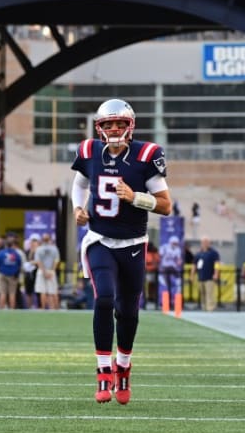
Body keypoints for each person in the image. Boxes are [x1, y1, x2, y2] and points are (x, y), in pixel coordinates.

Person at [71, 98, 172, 404]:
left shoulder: (147, 154)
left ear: (130, 126)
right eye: (107, 124)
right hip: (99, 239)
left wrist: (135, 197)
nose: (113, 129)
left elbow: (166, 206)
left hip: (133, 244)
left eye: (119, 123)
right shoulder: (89, 150)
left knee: (127, 311)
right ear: (99, 127)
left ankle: (123, 367)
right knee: (103, 298)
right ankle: (103, 370)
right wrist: (78, 207)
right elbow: (79, 184)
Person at [0, 236, 23, 310]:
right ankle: (12, 310)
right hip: (13, 275)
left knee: (2, 293)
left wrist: (3, 267)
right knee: (12, 293)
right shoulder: (16, 254)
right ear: (12, 245)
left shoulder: (1, 253)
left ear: (5, 245)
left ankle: (1, 309)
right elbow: (19, 264)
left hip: (2, 274)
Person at [33, 233, 61, 310]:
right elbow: (56, 261)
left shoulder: (39, 249)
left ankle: (43, 308)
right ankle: (55, 308)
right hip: (51, 271)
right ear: (50, 239)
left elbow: (38, 262)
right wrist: (52, 271)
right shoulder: (54, 248)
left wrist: (44, 271)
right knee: (53, 291)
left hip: (42, 271)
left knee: (43, 291)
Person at [193, 236, 220, 312]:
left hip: (210, 277)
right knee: (202, 294)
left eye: (206, 242)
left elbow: (217, 264)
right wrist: (192, 275)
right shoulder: (199, 253)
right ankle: (204, 308)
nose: (204, 244)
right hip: (201, 276)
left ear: (209, 243)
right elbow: (195, 265)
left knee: (209, 293)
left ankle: (210, 309)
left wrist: (216, 273)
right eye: (203, 242)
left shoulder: (213, 253)